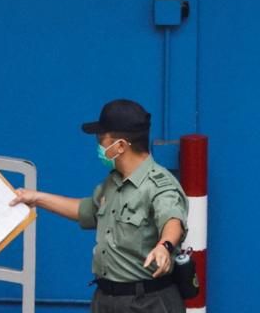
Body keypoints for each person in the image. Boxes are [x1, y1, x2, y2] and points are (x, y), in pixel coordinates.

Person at [10, 99, 189, 313]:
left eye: (101, 139)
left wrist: (165, 246)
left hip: (147, 303)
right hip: (106, 300)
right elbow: (85, 210)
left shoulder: (159, 184)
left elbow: (172, 219)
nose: (98, 146)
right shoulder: (113, 183)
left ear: (121, 146)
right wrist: (35, 198)